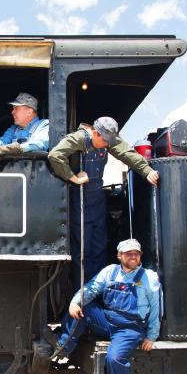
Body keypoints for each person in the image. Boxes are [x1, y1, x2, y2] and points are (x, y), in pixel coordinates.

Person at [52, 238, 162, 374]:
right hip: (108, 320)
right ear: (120, 256)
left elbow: (157, 309)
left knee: (115, 358)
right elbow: (92, 288)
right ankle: (63, 346)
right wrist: (75, 301)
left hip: (129, 328)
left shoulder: (148, 277)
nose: (133, 256)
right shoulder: (110, 272)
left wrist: (151, 336)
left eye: (136, 253)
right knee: (83, 310)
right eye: (129, 254)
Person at [47, 117, 159, 290]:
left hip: (98, 197)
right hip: (80, 198)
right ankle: (82, 294)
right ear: (96, 134)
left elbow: (126, 153)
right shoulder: (78, 138)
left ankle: (100, 291)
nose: (108, 145)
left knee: (100, 245)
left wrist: (146, 170)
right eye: (105, 141)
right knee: (82, 251)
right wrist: (73, 177)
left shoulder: (109, 139)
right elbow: (55, 155)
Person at [0, 92, 49, 162]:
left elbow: (39, 144)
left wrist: (15, 148)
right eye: (13, 108)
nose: (12, 112)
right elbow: (1, 143)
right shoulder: (14, 129)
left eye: (16, 109)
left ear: (29, 112)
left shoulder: (44, 125)